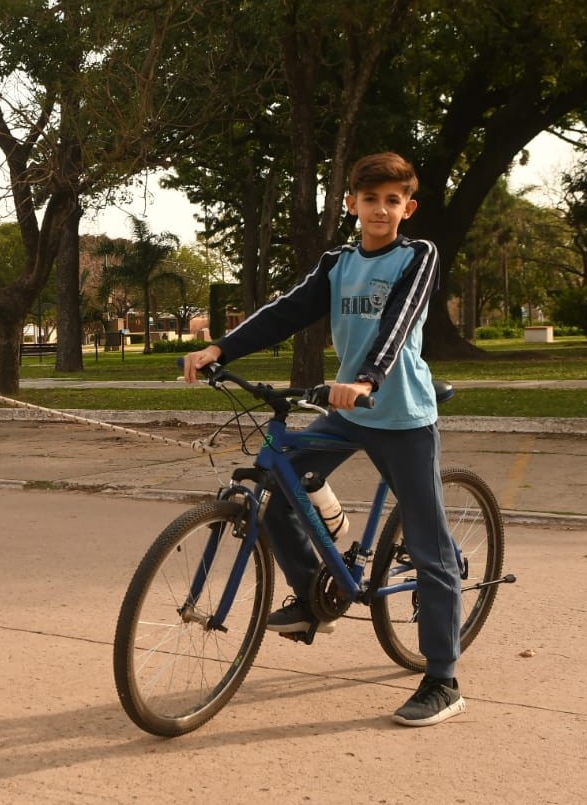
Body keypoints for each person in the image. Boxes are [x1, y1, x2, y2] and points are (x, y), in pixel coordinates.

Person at [182, 152, 464, 727]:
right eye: (370, 199)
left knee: (431, 549)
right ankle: (316, 594)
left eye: (392, 200)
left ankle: (442, 678)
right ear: (351, 205)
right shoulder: (339, 261)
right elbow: (287, 310)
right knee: (276, 483)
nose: (381, 209)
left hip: (402, 415)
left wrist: (366, 379)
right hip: (349, 412)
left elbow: (401, 322)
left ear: (407, 208)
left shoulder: (418, 255)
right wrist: (222, 349)